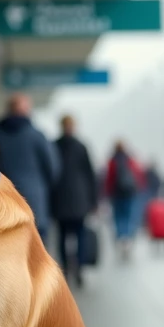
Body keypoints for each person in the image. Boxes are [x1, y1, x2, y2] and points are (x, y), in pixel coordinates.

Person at [0, 93, 60, 244]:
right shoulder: (37, 136)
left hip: (4, 201)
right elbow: (53, 169)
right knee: (38, 249)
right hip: (35, 202)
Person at [51, 115, 98, 284]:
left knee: (63, 236)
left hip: (61, 200)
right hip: (80, 200)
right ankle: (79, 268)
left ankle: (66, 268)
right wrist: (93, 201)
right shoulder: (81, 147)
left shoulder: (54, 146)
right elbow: (90, 175)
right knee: (80, 235)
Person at [105, 141, 145, 260]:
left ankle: (121, 237)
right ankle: (127, 238)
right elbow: (138, 176)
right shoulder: (131, 160)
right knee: (129, 216)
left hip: (116, 194)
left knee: (118, 217)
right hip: (130, 193)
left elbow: (109, 179)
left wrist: (108, 192)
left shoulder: (112, 161)